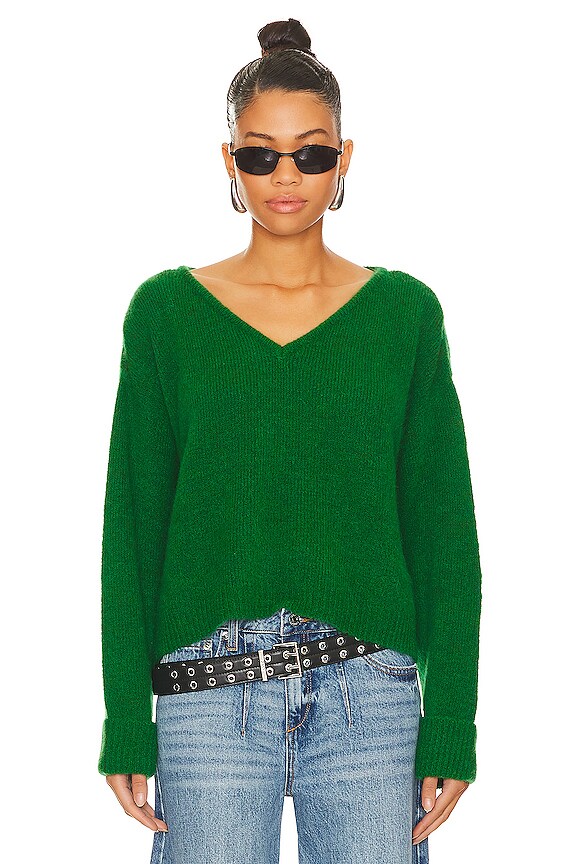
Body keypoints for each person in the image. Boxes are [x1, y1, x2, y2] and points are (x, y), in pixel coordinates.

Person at [98, 17, 483, 864]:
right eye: (259, 154)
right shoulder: (165, 314)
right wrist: (126, 718)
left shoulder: (404, 315)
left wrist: (453, 721)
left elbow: (445, 533)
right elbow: (132, 526)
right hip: (208, 691)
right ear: (228, 161)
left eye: (311, 154)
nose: (286, 175)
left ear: (345, 160)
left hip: (369, 691)